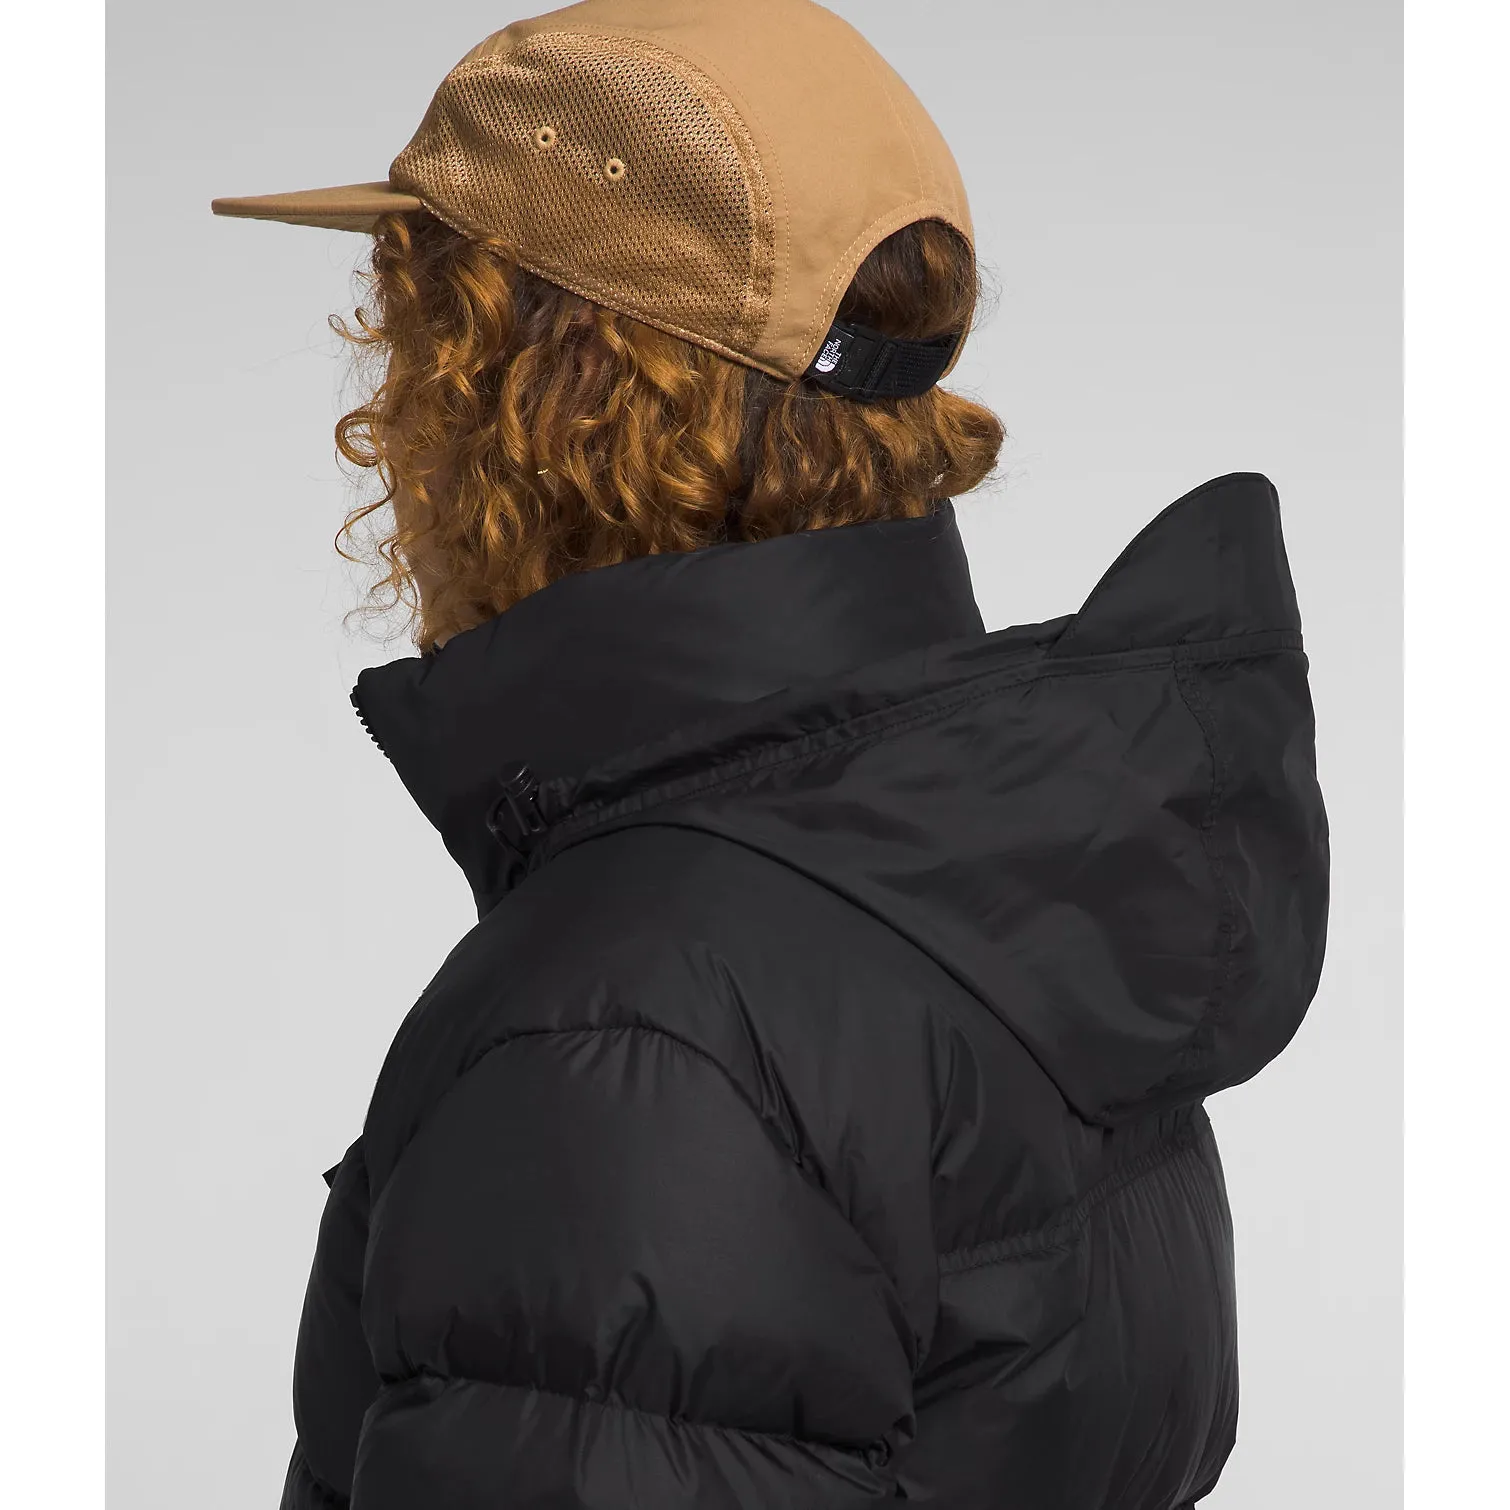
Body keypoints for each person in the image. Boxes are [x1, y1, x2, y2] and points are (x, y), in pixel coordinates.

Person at [212, 2, 1330, 1506]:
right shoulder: (1004, 878)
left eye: (422, 345)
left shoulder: (630, 1032)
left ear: (538, 405)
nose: (389, 415)